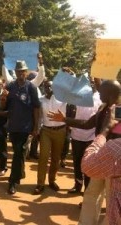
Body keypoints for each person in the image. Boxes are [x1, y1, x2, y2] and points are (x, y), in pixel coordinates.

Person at [48, 79, 121, 225]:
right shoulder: (103, 108)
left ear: (110, 95)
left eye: (101, 92)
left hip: (114, 164)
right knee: (91, 194)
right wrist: (64, 119)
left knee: (112, 202)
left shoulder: (119, 112)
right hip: (100, 157)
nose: (98, 93)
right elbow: (87, 124)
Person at [0, 60, 40, 195]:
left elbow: (36, 108)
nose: (21, 73)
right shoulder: (10, 86)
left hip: (26, 126)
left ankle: (13, 181)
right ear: (15, 72)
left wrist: (36, 127)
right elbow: (3, 107)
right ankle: (20, 173)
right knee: (19, 153)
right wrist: (3, 98)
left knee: (18, 152)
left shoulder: (31, 88)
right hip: (13, 126)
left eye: (23, 71)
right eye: (18, 71)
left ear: (26, 72)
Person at [68, 79, 102, 194]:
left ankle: (87, 191)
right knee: (77, 163)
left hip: (91, 137)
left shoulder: (100, 97)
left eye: (94, 82)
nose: (91, 83)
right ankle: (77, 185)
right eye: (89, 82)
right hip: (77, 135)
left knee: (88, 164)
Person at [33, 80, 67, 195]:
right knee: (43, 157)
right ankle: (40, 183)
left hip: (60, 131)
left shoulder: (62, 99)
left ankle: (52, 180)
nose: (49, 89)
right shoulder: (41, 100)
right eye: (47, 86)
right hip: (46, 131)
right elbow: (39, 117)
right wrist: (37, 129)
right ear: (43, 87)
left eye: (51, 87)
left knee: (55, 158)